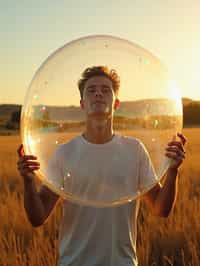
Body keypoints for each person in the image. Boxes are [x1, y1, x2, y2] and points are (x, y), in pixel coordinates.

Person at [17, 66, 186, 266]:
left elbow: (161, 209)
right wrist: (28, 182)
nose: (98, 93)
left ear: (116, 103)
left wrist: (173, 171)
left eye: (106, 90)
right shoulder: (64, 154)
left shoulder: (135, 150)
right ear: (82, 103)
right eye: (91, 90)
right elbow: (38, 217)